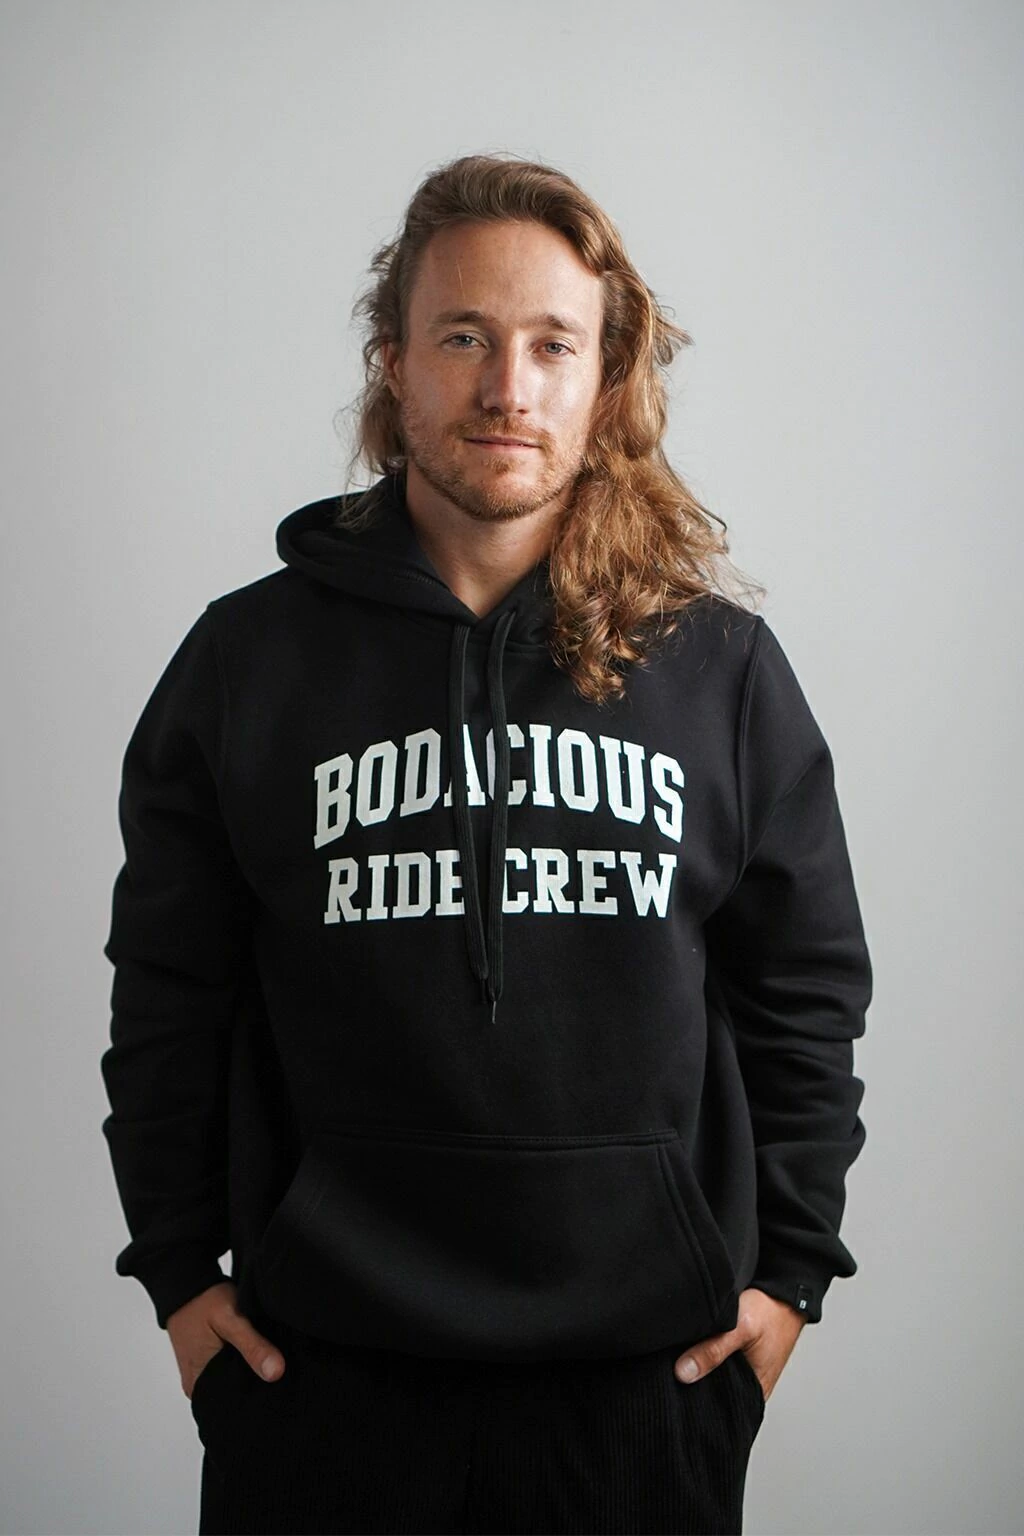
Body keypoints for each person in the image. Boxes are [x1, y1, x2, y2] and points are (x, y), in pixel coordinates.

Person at [101, 152, 872, 1536]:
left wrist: (792, 1277)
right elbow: (169, 989)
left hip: (644, 1388)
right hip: (320, 1379)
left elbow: (804, 990)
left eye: (551, 345)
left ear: (606, 379)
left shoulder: (720, 673)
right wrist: (177, 1276)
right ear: (394, 364)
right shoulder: (247, 662)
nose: (508, 388)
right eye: (463, 337)